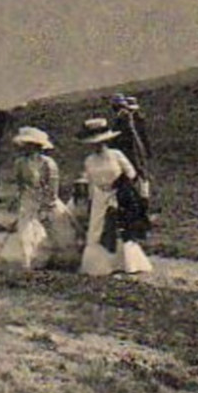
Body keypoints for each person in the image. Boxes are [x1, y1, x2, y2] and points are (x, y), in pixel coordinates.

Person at [78, 117, 152, 277]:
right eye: (93, 143)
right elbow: (90, 182)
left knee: (121, 228)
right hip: (99, 197)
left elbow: (131, 174)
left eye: (100, 142)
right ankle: (100, 266)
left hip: (119, 194)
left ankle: (127, 263)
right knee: (97, 230)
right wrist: (90, 201)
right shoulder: (89, 160)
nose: (97, 145)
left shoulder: (116, 155)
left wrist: (125, 191)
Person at [0, 126, 78, 269]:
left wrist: (48, 204)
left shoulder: (48, 163)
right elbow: (20, 183)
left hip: (46, 199)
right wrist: (18, 199)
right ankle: (28, 260)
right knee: (26, 230)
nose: (26, 148)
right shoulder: (20, 162)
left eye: (29, 145)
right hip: (28, 199)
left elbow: (53, 186)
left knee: (57, 230)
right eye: (24, 145)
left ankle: (57, 260)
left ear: (37, 146)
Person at [108, 93, 152, 199]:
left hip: (129, 149)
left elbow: (127, 134)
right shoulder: (128, 117)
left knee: (137, 173)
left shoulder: (124, 117)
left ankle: (142, 197)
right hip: (133, 149)